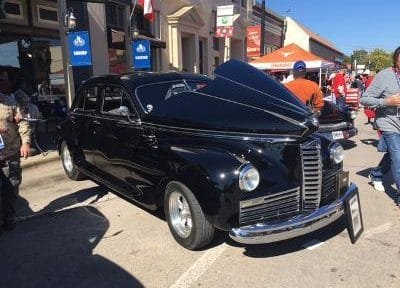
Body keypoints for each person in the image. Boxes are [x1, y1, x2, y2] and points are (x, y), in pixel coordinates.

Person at [361, 46, 400, 206]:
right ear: (396, 59)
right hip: (388, 123)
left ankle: (376, 174)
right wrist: (386, 101)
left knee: (392, 155)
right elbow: (364, 99)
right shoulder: (384, 76)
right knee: (398, 158)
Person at [0, 80, 31, 231]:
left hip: (9, 153)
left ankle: (8, 217)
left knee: (11, 185)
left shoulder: (9, 102)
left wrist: (25, 142)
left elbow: (22, 121)